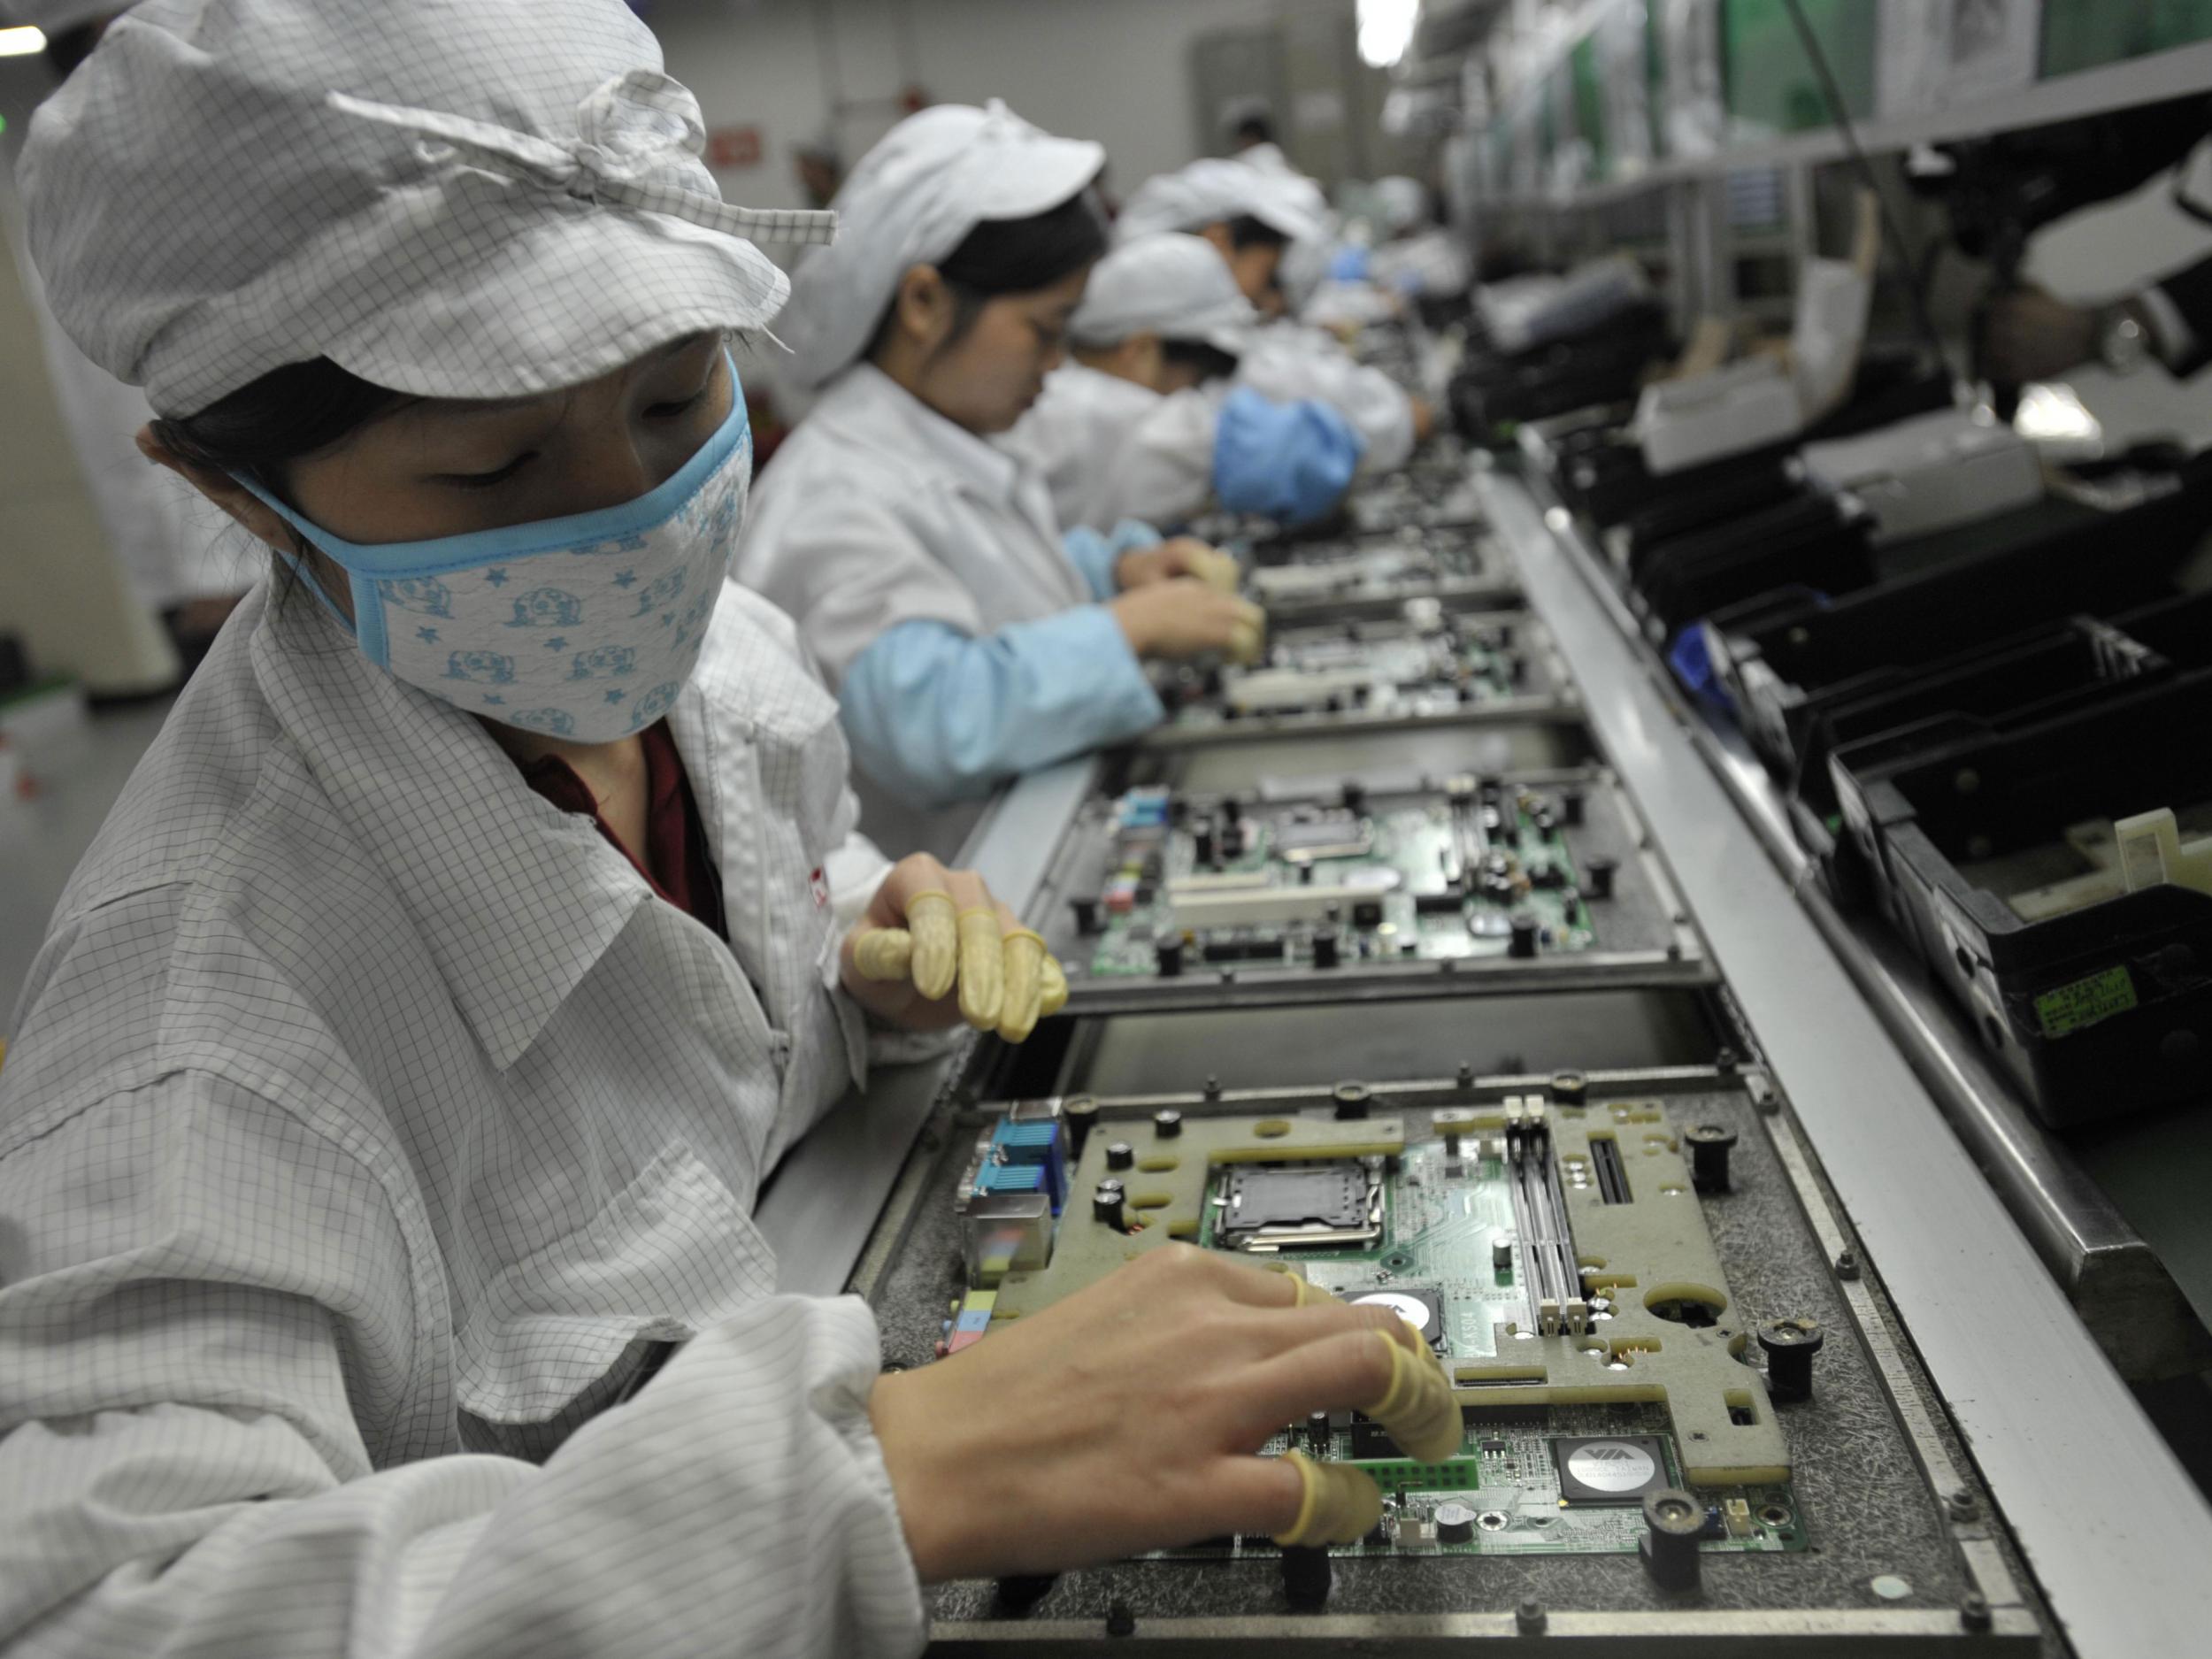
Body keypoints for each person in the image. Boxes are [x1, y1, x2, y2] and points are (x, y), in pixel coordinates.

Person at [0, 7, 1421, 1656]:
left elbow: (709, 995)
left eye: (680, 406)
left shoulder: (718, 657)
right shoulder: (190, 1037)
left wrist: (856, 965)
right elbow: (104, 1613)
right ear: (238, 489)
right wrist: (852, 1487)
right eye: (498, 462)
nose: (631, 522)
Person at [733, 103, 1263, 859]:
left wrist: (1112, 572)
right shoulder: (834, 495)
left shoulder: (942, 442)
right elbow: (932, 721)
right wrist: (1129, 627)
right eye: (1045, 332)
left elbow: (984, 591)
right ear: (924, 302)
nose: (1056, 365)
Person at [1004, 230, 1364, 530]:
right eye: (1194, 382)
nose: (1192, 400)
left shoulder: (1068, 397)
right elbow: (1248, 449)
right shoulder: (1086, 414)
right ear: (1140, 349)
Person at [1118, 156, 1430, 471]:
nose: (1274, 303)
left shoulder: (1167, 313)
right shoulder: (1176, 335)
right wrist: (1391, 418)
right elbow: (1268, 378)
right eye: (1269, 274)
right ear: (1219, 241)